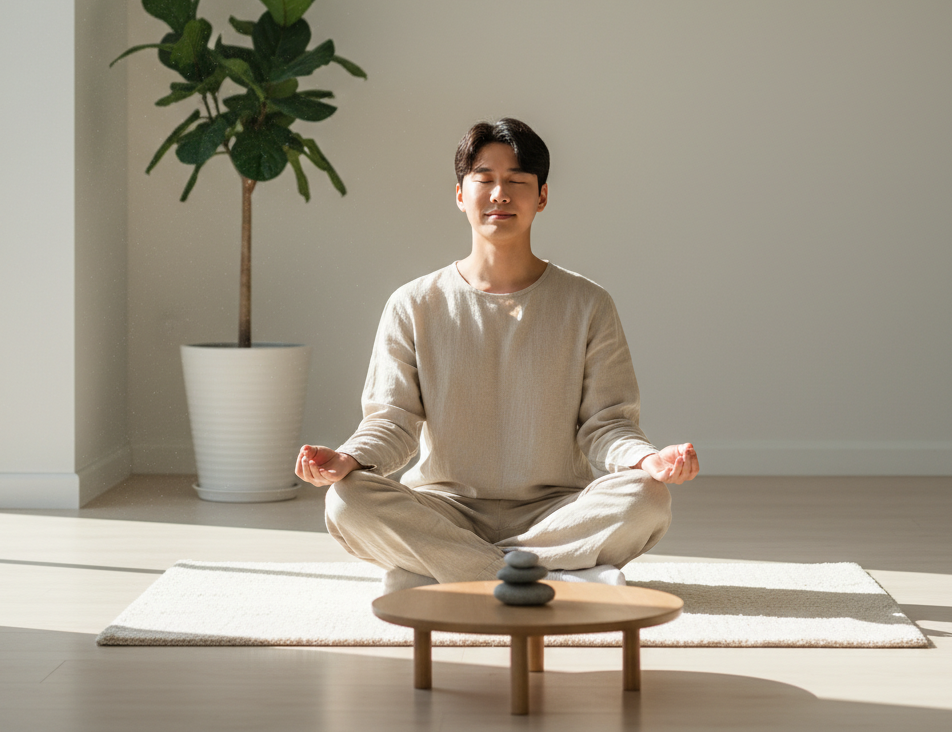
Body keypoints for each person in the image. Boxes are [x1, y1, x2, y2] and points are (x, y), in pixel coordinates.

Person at [295, 118, 699, 592]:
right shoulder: (413, 303)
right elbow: (393, 420)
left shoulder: (588, 304)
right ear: (461, 195)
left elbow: (607, 424)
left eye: (517, 182)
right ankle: (547, 573)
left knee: (647, 499)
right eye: (484, 180)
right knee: (346, 501)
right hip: (444, 509)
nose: (500, 194)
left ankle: (458, 571)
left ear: (542, 196)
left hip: (557, 511)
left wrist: (646, 460)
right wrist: (349, 458)